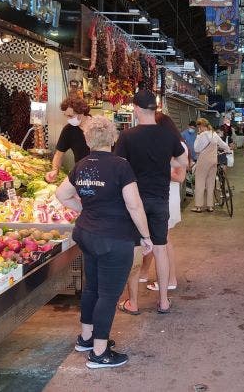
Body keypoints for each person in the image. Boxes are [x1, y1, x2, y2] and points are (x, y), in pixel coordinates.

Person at [55, 116, 153, 369]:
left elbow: (61, 194)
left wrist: (84, 209)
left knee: (91, 289)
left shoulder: (82, 165)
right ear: (113, 138)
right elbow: (134, 204)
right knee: (108, 295)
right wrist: (146, 235)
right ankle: (99, 353)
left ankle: (86, 338)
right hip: (114, 238)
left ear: (87, 140)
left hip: (87, 235)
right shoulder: (121, 166)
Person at [113, 90, 188, 314]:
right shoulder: (168, 135)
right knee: (160, 248)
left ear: (136, 109)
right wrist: (165, 158)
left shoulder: (127, 136)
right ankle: (164, 301)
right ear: (154, 109)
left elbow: (119, 166)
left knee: (136, 250)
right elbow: (184, 161)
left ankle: (133, 302)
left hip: (135, 201)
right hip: (160, 200)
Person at [137, 113, 187, 292]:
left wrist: (155, 170)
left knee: (163, 241)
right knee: (156, 238)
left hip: (167, 196)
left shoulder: (177, 145)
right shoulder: (166, 143)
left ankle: (170, 279)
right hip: (160, 195)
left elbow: (180, 176)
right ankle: (144, 273)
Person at [46, 97, 92, 182]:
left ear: (81, 112)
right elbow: (58, 154)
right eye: (66, 116)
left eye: (71, 116)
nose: (68, 119)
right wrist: (55, 170)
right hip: (81, 175)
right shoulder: (68, 130)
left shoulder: (98, 126)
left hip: (103, 174)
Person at [191, 118, 231, 212]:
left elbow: (196, 149)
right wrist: (228, 150)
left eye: (198, 127)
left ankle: (198, 206)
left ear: (200, 126)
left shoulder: (202, 135)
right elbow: (223, 145)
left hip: (203, 161)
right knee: (211, 183)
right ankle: (210, 206)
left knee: (200, 182)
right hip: (213, 161)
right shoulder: (214, 134)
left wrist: (197, 136)